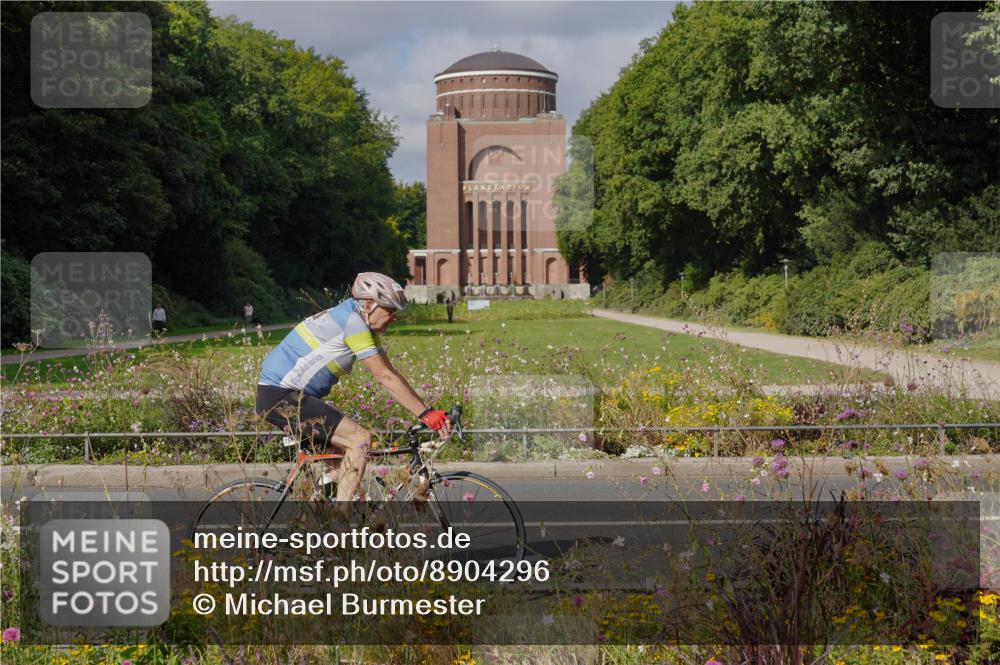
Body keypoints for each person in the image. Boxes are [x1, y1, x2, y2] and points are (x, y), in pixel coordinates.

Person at [255, 272, 450, 517]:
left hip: (287, 396)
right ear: (368, 305)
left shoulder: (356, 318)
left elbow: (390, 372)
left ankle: (318, 530)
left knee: (342, 468)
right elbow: (384, 378)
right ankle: (340, 528)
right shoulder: (353, 323)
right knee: (360, 440)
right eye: (390, 310)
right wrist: (426, 414)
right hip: (281, 397)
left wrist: (428, 410)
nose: (394, 317)